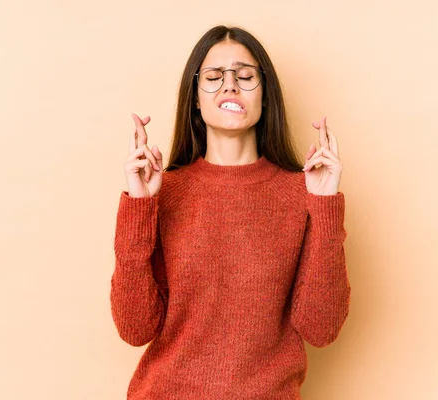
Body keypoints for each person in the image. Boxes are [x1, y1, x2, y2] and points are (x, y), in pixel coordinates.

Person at [110, 25, 351, 399]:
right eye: (213, 77)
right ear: (195, 98)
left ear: (265, 95)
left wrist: (324, 207)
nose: (230, 86)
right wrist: (140, 206)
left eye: (244, 76)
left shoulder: (301, 193)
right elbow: (134, 328)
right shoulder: (164, 192)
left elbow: (321, 329)